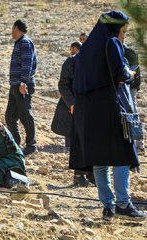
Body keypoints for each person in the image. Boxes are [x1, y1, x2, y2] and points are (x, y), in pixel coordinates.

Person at [70, 11, 147, 221]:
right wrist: (130, 74)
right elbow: (119, 73)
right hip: (109, 108)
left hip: (88, 112)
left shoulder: (86, 49)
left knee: (99, 160)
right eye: (123, 29)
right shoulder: (111, 42)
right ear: (116, 27)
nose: (123, 35)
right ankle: (123, 204)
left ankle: (108, 207)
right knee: (122, 155)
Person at [51, 41, 95, 187]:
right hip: (74, 109)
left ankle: (91, 174)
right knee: (79, 142)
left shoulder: (94, 62)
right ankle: (79, 175)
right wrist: (72, 103)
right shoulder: (71, 62)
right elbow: (63, 84)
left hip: (90, 108)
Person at [5, 19, 37, 156]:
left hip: (22, 85)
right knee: (10, 116)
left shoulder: (24, 42)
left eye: (12, 29)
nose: (11, 32)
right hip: (15, 85)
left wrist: (23, 82)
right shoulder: (20, 43)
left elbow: (27, 63)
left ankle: (31, 145)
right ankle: (15, 145)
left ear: (16, 28)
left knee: (25, 115)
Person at [119, 37, 145, 155]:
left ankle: (139, 145)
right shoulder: (119, 52)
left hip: (130, 87)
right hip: (124, 87)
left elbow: (135, 71)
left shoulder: (129, 52)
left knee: (132, 113)